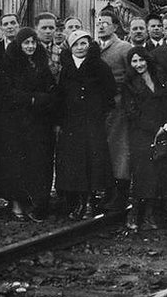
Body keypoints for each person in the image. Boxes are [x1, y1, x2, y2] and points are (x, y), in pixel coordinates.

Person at [0, 27, 58, 221]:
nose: (30, 46)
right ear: (19, 44)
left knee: (39, 162)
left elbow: (51, 90)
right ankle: (17, 203)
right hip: (16, 122)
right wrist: (33, 99)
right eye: (26, 43)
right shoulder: (9, 62)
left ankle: (38, 203)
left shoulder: (40, 62)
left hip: (40, 122)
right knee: (17, 163)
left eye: (33, 42)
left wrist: (41, 99)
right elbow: (7, 92)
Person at [55, 30, 116, 219]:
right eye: (76, 44)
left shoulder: (99, 66)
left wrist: (98, 112)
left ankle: (90, 201)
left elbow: (109, 91)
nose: (80, 48)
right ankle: (79, 201)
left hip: (92, 122)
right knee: (75, 163)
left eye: (84, 44)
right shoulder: (66, 68)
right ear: (70, 47)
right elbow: (61, 95)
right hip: (72, 123)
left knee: (93, 161)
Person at [123, 47, 167, 230]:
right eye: (134, 61)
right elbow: (132, 112)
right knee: (143, 175)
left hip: (163, 131)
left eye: (141, 60)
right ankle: (137, 215)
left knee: (160, 174)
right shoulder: (129, 83)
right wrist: (154, 128)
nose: (139, 64)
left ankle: (153, 215)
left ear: (147, 60)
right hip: (141, 134)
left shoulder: (159, 78)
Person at [96, 10, 134, 212]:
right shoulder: (94, 47)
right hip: (101, 106)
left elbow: (132, 77)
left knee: (119, 150)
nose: (101, 26)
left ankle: (120, 194)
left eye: (105, 23)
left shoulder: (123, 48)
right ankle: (108, 192)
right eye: (99, 22)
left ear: (115, 26)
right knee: (105, 149)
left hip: (119, 105)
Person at [36, 12, 62, 80]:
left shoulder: (61, 51)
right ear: (36, 29)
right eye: (44, 28)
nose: (48, 31)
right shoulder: (32, 50)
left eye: (51, 28)